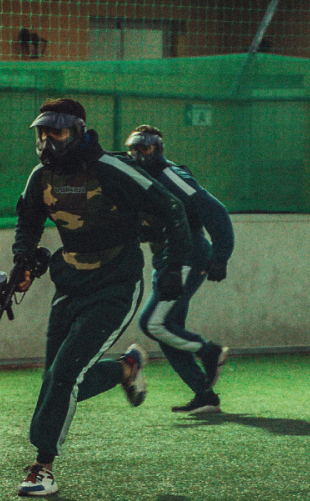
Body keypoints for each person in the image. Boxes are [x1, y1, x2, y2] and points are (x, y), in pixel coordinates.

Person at [8, 98, 192, 497]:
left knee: (63, 377)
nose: (45, 141)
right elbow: (28, 223)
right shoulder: (40, 177)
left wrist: (173, 266)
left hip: (117, 282)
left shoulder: (112, 168)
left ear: (75, 130)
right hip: (70, 281)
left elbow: (172, 207)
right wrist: (22, 264)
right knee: (59, 377)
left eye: (54, 131)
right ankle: (127, 368)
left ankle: (42, 468)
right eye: (41, 132)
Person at [124, 125, 234, 413]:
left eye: (144, 148)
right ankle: (205, 395)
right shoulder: (143, 178)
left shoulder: (171, 176)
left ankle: (208, 351)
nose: (138, 155)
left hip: (187, 258)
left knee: (152, 323)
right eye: (133, 149)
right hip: (167, 259)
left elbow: (215, 209)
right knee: (170, 330)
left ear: (157, 149)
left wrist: (221, 254)